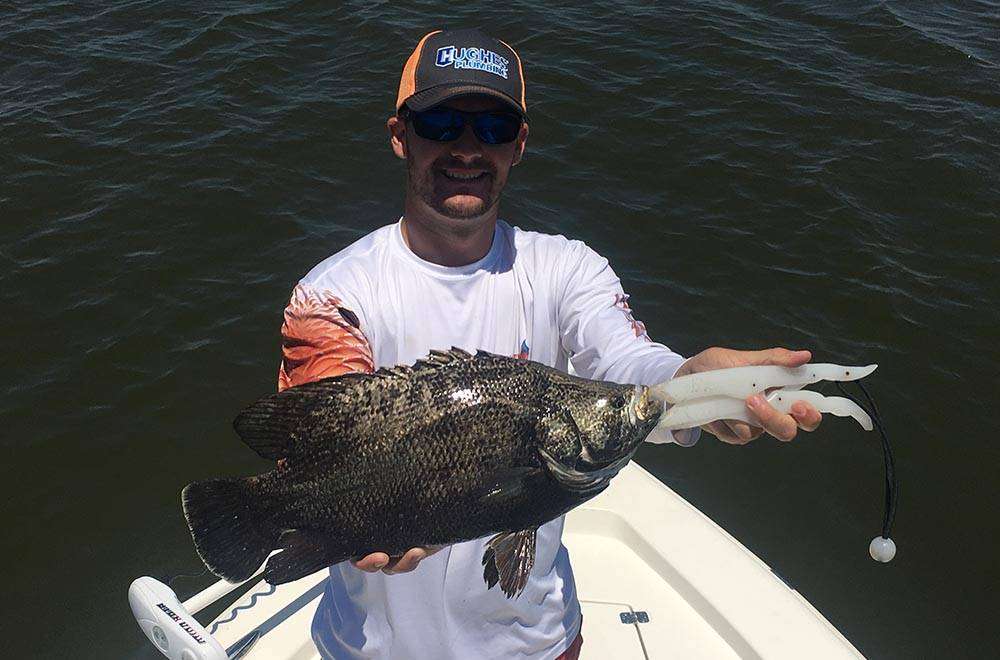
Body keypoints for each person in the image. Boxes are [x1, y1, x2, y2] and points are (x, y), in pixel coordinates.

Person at [277, 28, 823, 660]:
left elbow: (623, 361)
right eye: (442, 122)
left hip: (538, 646)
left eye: (493, 129)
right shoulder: (333, 294)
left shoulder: (568, 269)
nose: (467, 148)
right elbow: (320, 433)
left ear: (519, 145)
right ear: (400, 136)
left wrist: (696, 384)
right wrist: (354, 516)